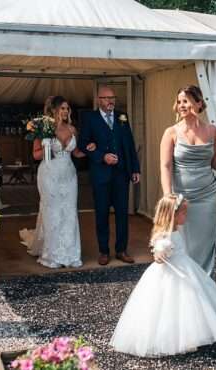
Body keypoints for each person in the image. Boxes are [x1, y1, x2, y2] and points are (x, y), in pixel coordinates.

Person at [109, 193, 216, 357]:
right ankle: (174, 338)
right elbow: (158, 251)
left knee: (190, 303)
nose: (186, 216)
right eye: (183, 213)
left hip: (185, 269)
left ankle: (190, 335)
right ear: (173, 215)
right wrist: (159, 253)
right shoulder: (164, 235)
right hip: (170, 275)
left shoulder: (176, 230)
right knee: (170, 305)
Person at [159, 85, 216, 276]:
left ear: (198, 103)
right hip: (183, 199)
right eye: (179, 101)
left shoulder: (212, 131)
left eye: (186, 101)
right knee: (184, 248)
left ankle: (204, 290)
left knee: (205, 248)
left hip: (208, 198)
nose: (181, 105)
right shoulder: (170, 132)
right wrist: (168, 195)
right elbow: (165, 166)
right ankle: (186, 292)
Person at [20, 96, 88, 268]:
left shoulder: (72, 129)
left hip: (69, 175)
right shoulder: (44, 129)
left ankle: (71, 254)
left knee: (69, 212)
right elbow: (35, 154)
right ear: (54, 110)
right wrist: (47, 149)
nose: (66, 111)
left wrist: (91, 150)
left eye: (67, 109)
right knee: (53, 213)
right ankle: (52, 255)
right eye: (63, 108)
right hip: (49, 174)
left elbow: (77, 152)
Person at [80, 86, 140, 265]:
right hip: (101, 174)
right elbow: (83, 143)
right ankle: (104, 251)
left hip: (121, 174)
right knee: (102, 214)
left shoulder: (122, 116)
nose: (110, 101)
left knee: (122, 214)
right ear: (99, 100)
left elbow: (129, 143)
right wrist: (101, 156)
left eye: (112, 98)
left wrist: (135, 169)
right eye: (106, 98)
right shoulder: (90, 118)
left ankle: (121, 250)